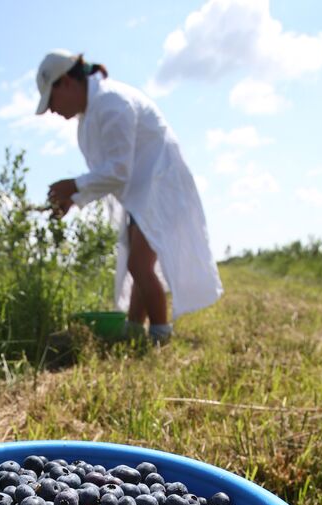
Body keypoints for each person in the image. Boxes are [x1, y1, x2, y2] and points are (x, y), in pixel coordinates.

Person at [35, 49, 223, 346]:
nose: (53, 110)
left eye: (52, 101)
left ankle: (160, 336)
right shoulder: (92, 113)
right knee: (138, 265)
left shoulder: (111, 103)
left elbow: (118, 170)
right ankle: (135, 332)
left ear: (66, 83)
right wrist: (74, 196)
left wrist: (72, 186)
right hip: (142, 192)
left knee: (139, 265)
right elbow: (108, 172)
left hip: (160, 186)